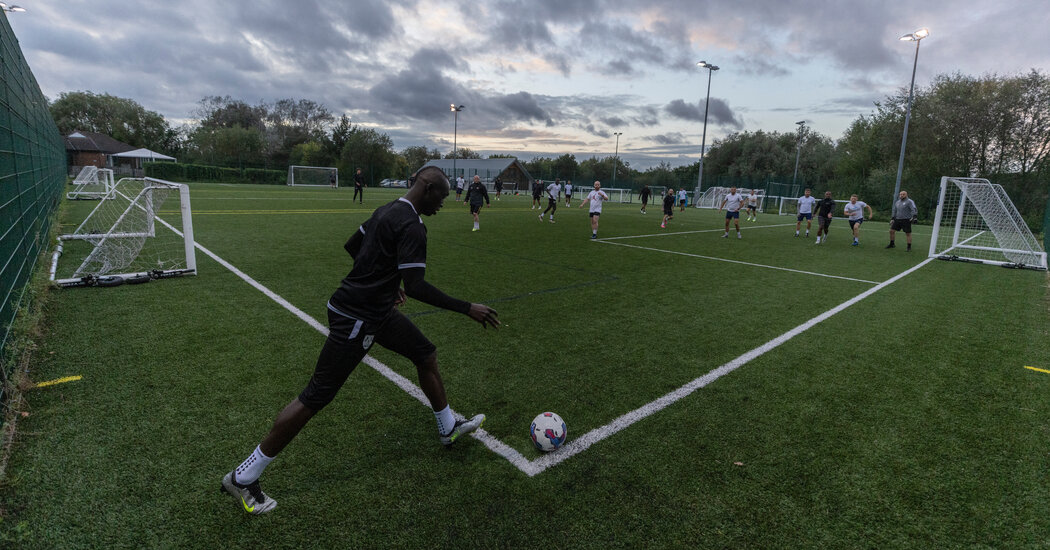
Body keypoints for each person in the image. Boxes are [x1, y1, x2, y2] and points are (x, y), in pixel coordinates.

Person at [220, 166, 499, 515]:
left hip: (371, 310)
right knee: (315, 396)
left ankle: (448, 426)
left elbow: (353, 244)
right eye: (441, 197)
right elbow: (416, 286)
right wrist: (466, 307)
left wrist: (383, 282)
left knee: (425, 353)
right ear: (426, 188)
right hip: (358, 317)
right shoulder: (412, 224)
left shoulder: (388, 210)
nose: (443, 204)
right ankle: (243, 477)